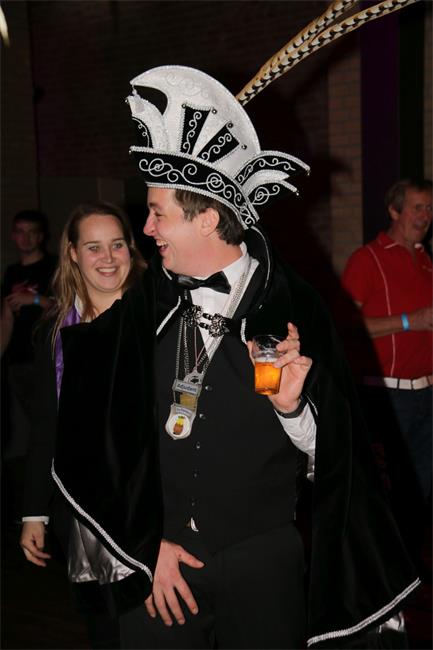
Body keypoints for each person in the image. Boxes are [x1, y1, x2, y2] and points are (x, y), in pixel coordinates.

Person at [109, 66, 418, 649]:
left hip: (263, 563)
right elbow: (110, 438)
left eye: (158, 212)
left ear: (206, 218)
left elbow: (337, 459)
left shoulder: (295, 306)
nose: (146, 228)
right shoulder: (144, 306)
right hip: (160, 561)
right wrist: (143, 545)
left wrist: (290, 408)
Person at [19, 201, 153, 648]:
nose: (108, 258)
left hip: (150, 506)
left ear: (131, 249)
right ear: (73, 253)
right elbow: (46, 425)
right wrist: (34, 511)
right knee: (106, 632)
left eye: (117, 245)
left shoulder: (155, 317)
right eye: (93, 247)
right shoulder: (56, 329)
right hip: (83, 511)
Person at [341, 178, 432, 566]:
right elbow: (345, 325)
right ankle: (378, 572)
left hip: (427, 394)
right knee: (388, 492)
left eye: (430, 208)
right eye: (417, 207)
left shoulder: (426, 261)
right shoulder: (367, 259)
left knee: (419, 492)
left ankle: (406, 570)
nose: (425, 216)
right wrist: (410, 321)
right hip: (387, 396)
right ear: (394, 211)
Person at [1, 210, 57, 460]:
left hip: (45, 357)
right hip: (18, 360)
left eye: (32, 232)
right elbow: (6, 318)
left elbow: (65, 308)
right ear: (13, 236)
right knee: (27, 429)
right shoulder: (11, 272)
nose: (26, 238)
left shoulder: (53, 266)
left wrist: (34, 299)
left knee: (50, 422)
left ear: (41, 236)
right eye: (21, 232)